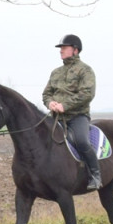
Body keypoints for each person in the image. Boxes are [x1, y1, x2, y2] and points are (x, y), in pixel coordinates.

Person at [42, 34, 101, 191]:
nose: (61, 51)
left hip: (77, 117)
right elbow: (46, 94)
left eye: (64, 48)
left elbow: (87, 93)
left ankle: (95, 175)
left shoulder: (85, 70)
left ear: (75, 50)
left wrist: (65, 105)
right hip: (56, 118)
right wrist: (50, 102)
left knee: (82, 141)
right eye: (60, 48)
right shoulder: (56, 72)